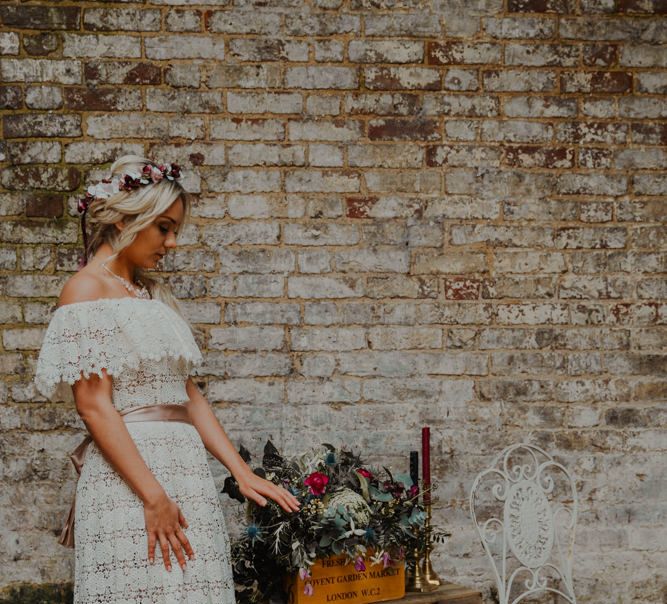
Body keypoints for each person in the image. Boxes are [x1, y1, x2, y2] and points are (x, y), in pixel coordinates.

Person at [34, 154, 300, 603]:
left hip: (185, 473)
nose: (172, 242)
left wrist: (240, 471)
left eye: (174, 230)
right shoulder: (84, 289)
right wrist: (153, 497)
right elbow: (94, 406)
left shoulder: (152, 293)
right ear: (123, 220)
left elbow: (185, 393)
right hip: (133, 481)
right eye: (164, 227)